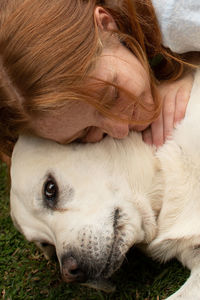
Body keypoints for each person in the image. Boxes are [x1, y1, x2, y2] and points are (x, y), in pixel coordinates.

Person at [0, 0, 198, 165]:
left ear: (105, 24)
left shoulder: (176, 13)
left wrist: (192, 68)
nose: (120, 130)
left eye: (113, 96)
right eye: (85, 132)